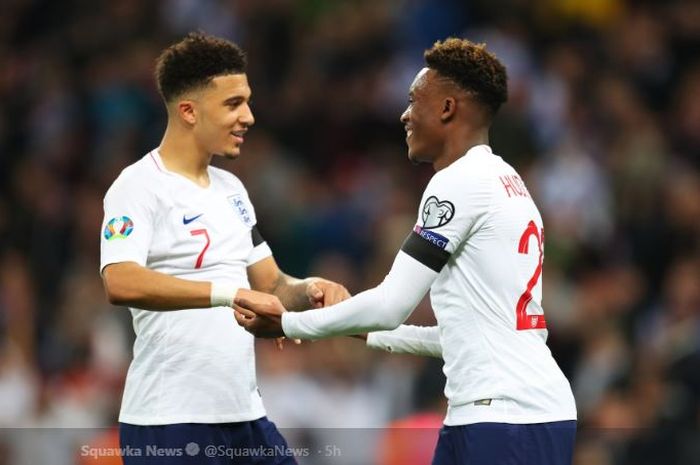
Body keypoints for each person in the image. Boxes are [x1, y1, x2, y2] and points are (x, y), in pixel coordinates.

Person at [234, 38, 578, 465]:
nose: (404, 114)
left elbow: (391, 304)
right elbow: (460, 337)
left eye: (414, 100)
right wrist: (353, 329)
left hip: (504, 417)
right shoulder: (510, 182)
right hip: (505, 409)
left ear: (448, 108)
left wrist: (288, 323)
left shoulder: (458, 181)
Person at [99, 32, 349, 465]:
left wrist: (308, 288)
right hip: (169, 421)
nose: (249, 116)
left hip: (244, 415)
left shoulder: (232, 189)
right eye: (233, 104)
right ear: (189, 111)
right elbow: (119, 280)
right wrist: (227, 294)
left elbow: (270, 282)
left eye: (247, 101)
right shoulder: (137, 186)